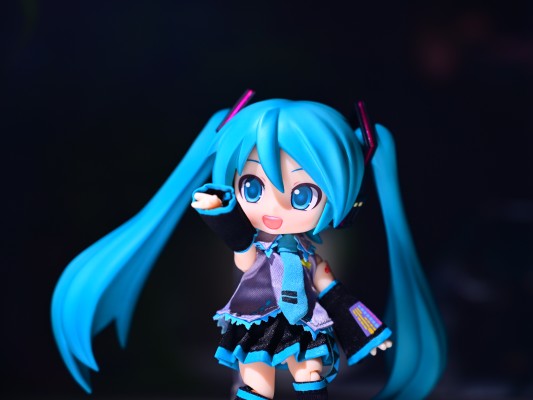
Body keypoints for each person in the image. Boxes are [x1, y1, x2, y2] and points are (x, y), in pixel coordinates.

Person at [51, 94, 446, 400]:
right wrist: (223, 216)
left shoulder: (310, 257)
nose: (274, 209)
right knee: (256, 382)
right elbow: (244, 257)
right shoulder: (257, 246)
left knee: (310, 375)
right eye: (253, 188)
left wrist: (368, 330)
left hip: (306, 324)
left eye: (302, 194)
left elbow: (333, 292)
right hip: (258, 323)